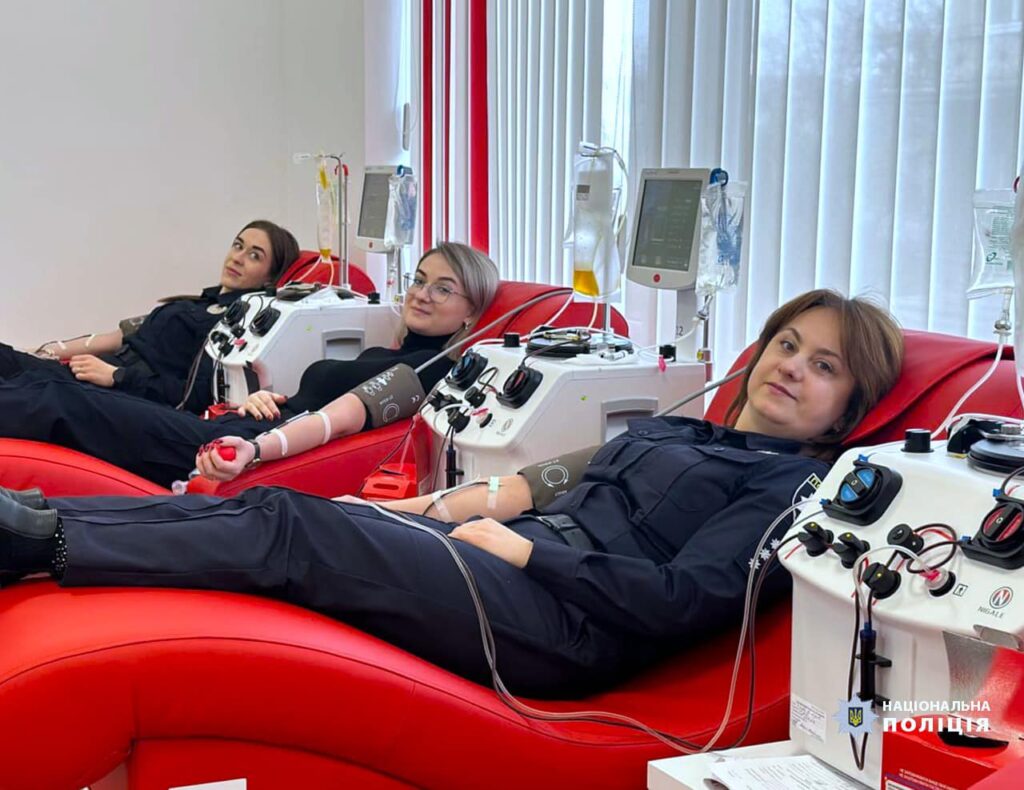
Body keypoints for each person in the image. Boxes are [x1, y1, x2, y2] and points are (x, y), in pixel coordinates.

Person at [0, 289, 904, 698]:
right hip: (508, 569)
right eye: (788, 344)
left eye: (824, 367)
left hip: (567, 628)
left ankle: (43, 543)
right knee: (280, 512)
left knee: (293, 533)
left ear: (850, 407)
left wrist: (529, 554)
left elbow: (683, 598)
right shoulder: (680, 429)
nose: (793, 368)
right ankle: (44, 523)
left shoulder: (795, 487)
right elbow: (518, 491)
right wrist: (409, 511)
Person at [0, 242, 500, 487]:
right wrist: (268, 398)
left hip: (249, 450)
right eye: (419, 280)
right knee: (47, 383)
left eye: (443, 289)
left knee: (60, 401)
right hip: (246, 425)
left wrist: (261, 444)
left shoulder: (432, 369)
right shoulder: (389, 354)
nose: (422, 294)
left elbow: (342, 420)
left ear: (472, 311)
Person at [0, 220, 300, 412]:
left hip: (122, 393)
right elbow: (115, 338)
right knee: (8, 358)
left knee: (22, 393)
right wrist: (44, 351)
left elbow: (196, 395)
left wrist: (117, 377)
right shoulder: (196, 304)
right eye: (238, 245)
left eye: (254, 255)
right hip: (97, 371)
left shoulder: (235, 324)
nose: (238, 257)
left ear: (269, 277)